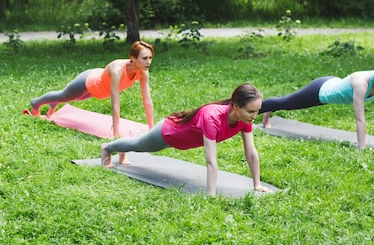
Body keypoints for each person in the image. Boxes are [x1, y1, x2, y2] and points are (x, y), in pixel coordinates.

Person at [101, 83, 271, 196]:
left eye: (257, 111)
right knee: (139, 145)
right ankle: (107, 148)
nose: (254, 116)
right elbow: (211, 161)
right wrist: (211, 195)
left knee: (137, 144)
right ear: (236, 106)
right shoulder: (212, 117)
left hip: (181, 140)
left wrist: (257, 184)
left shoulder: (243, 119)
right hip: (168, 133)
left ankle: (123, 150)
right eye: (251, 112)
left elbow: (251, 153)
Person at [260, 55, 374, 149]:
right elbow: (360, 119)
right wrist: (362, 148)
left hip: (332, 83)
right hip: (320, 91)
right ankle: (257, 109)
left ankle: (269, 111)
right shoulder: (362, 83)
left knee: (286, 102)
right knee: (286, 103)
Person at [25, 41, 155, 139]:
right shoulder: (117, 70)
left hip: (99, 90)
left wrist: (151, 128)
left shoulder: (143, 72)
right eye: (144, 58)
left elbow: (147, 101)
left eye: (150, 58)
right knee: (65, 96)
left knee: (77, 98)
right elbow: (115, 104)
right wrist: (116, 135)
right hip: (88, 82)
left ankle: (54, 104)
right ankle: (36, 103)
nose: (148, 62)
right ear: (133, 58)